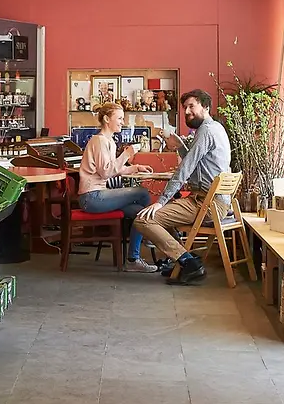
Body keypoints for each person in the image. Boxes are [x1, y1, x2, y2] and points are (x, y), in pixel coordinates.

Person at [133, 89, 230, 286]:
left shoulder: (206, 131)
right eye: (185, 108)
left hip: (206, 204)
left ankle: (188, 262)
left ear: (205, 107)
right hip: (214, 202)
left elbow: (185, 169)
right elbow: (199, 165)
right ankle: (177, 259)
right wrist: (179, 146)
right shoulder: (216, 128)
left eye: (191, 106)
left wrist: (160, 202)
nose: (187, 111)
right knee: (164, 217)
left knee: (143, 220)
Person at [77, 102, 155, 271]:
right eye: (119, 118)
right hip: (92, 197)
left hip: (99, 195)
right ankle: (152, 233)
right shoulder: (99, 141)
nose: (123, 122)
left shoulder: (108, 141)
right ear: (106, 119)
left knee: (139, 213)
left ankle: (133, 259)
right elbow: (106, 172)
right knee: (142, 193)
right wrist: (127, 154)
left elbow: (112, 169)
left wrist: (135, 167)